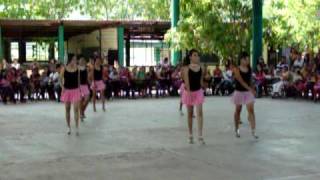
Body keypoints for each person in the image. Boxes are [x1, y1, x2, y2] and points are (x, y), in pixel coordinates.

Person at [231, 52, 258, 139]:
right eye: (246, 59)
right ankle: (237, 129)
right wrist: (250, 89)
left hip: (248, 92)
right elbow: (241, 81)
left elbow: (250, 80)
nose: (248, 60)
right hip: (239, 92)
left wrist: (253, 88)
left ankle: (253, 131)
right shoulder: (236, 69)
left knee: (251, 110)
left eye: (248, 59)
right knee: (238, 110)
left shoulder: (249, 68)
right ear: (241, 59)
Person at [182, 49, 205, 145]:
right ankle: (190, 135)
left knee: (200, 113)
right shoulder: (186, 68)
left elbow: (201, 81)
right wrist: (190, 93)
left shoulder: (201, 67)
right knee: (190, 114)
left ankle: (200, 135)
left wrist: (204, 85)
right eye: (195, 55)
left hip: (198, 91)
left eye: (198, 55)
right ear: (190, 57)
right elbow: (186, 82)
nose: (197, 57)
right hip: (189, 92)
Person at [60, 56, 81, 136]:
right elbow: (60, 78)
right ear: (70, 60)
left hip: (75, 90)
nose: (75, 61)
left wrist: (79, 89)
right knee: (67, 109)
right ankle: (68, 127)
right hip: (67, 90)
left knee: (76, 109)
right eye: (74, 60)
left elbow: (78, 80)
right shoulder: (64, 68)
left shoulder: (77, 69)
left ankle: (77, 127)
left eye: (76, 60)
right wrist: (62, 87)